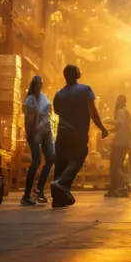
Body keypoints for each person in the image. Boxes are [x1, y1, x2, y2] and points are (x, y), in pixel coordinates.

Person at [51, 64, 109, 209]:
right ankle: (62, 183)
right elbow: (93, 112)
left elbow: (57, 112)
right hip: (78, 133)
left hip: (62, 134)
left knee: (61, 164)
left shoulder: (59, 94)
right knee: (78, 157)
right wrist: (102, 127)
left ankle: (58, 199)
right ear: (78, 74)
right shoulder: (85, 90)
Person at [21, 76, 55, 207]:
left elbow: (49, 112)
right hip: (35, 132)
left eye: (40, 84)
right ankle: (26, 195)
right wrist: (32, 132)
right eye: (36, 84)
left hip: (47, 130)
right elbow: (30, 120)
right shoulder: (30, 99)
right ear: (32, 85)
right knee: (36, 161)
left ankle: (39, 189)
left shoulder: (44, 97)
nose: (39, 86)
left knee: (51, 157)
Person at [106, 94, 131, 197]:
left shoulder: (121, 111)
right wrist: (109, 130)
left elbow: (118, 124)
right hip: (125, 143)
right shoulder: (127, 112)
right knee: (120, 165)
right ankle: (121, 188)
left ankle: (116, 189)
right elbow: (120, 127)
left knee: (115, 166)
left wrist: (106, 121)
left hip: (119, 143)